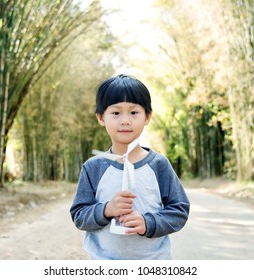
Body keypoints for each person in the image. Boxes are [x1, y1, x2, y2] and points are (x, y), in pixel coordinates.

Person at [70, 74, 190, 260]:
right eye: (116, 113)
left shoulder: (159, 165)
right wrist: (106, 209)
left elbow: (179, 210)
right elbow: (79, 215)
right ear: (101, 118)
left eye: (133, 112)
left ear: (147, 117)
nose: (125, 120)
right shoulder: (93, 167)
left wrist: (147, 223)